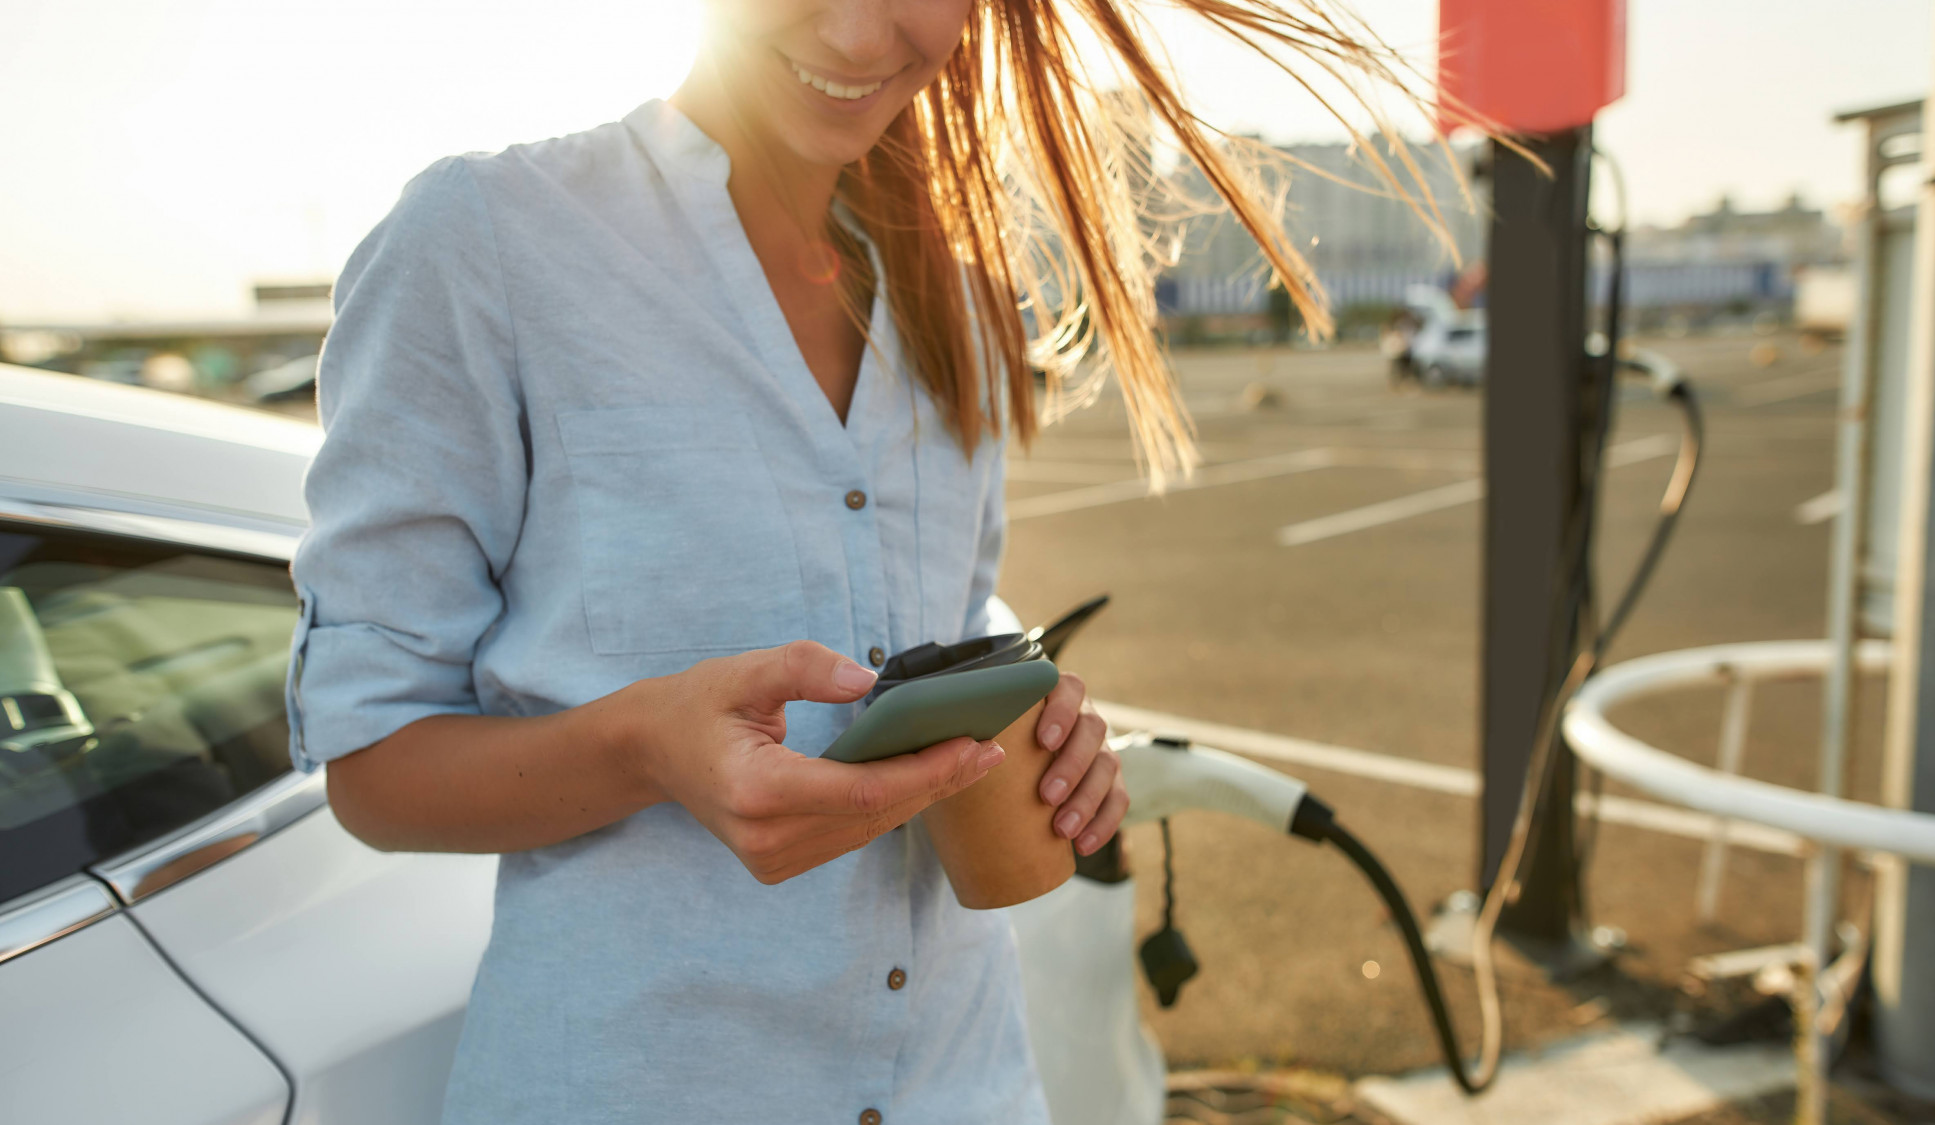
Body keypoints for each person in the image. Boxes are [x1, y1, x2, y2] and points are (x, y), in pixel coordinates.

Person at [286, 1, 1451, 1121]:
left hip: (968, 1082)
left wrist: (1048, 745)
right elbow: (374, 768)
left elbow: (952, 632)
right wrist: (645, 745)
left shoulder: (964, 300)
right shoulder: (483, 243)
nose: (853, 33)